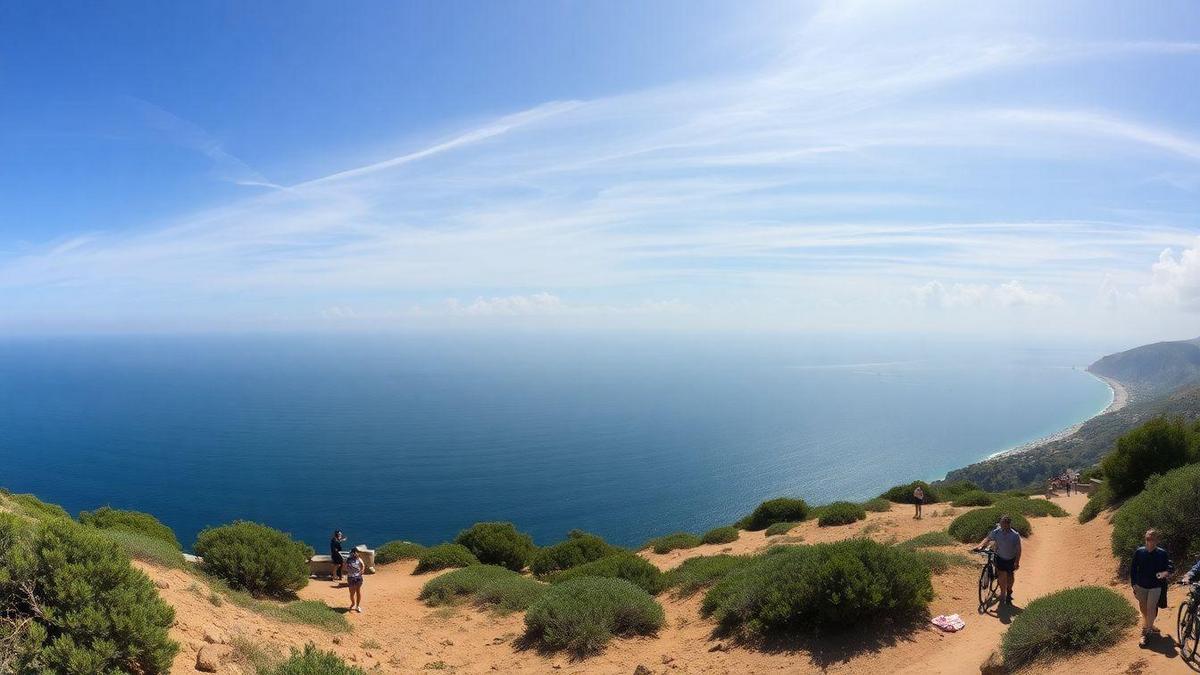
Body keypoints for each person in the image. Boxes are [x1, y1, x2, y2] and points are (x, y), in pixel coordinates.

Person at [1130, 529, 1173, 646]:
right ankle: (1150, 624)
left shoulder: (1162, 553)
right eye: (1147, 539)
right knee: (1143, 608)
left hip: (1156, 587)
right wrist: (1133, 584)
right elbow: (1133, 569)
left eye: (1152, 539)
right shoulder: (1139, 552)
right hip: (1141, 586)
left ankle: (1146, 632)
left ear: (1157, 540)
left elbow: (1168, 569)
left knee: (1151, 607)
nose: (1149, 541)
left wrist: (1163, 574)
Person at [974, 514, 1022, 606]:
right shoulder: (997, 532)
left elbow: (1019, 549)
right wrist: (979, 545)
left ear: (1008, 524)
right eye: (1001, 524)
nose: (1001, 526)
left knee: (1010, 576)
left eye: (1003, 524)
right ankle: (1003, 594)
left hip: (1010, 558)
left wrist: (1017, 561)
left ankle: (1009, 590)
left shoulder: (1015, 535)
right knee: (1001, 575)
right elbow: (987, 539)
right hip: (1000, 557)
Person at [345, 548, 365, 613]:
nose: (356, 554)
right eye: (355, 552)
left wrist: (362, 571)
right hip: (351, 578)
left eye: (357, 552)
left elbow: (363, 565)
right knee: (351, 593)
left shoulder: (359, 559)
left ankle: (357, 606)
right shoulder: (348, 560)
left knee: (358, 591)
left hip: (358, 578)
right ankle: (353, 603)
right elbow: (344, 567)